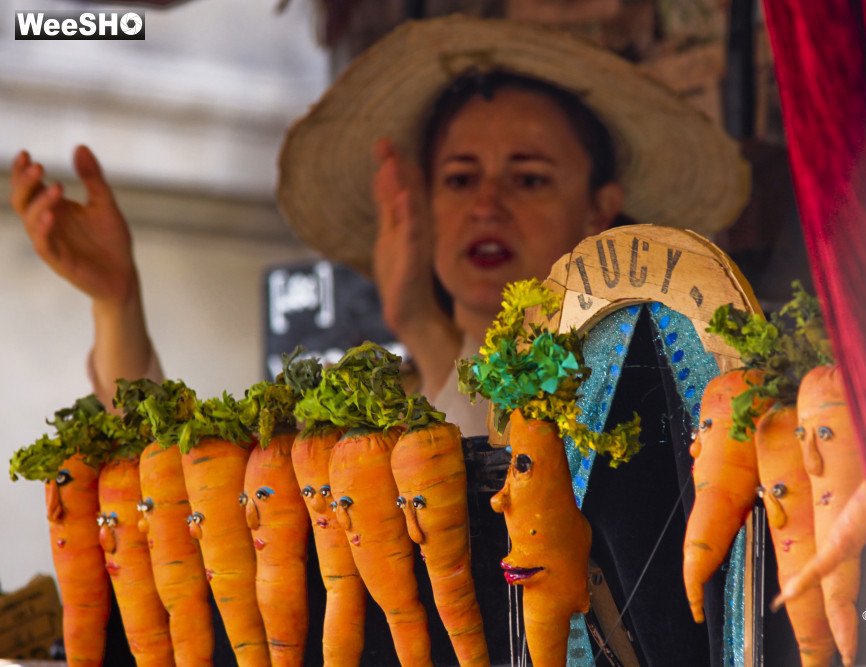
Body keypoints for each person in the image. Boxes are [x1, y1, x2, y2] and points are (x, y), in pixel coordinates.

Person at [11, 14, 747, 664]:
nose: (487, 205)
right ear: (421, 207)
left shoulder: (642, 384)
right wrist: (117, 301)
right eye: (460, 179)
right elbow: (177, 495)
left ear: (600, 210)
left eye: (527, 179)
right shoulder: (375, 417)